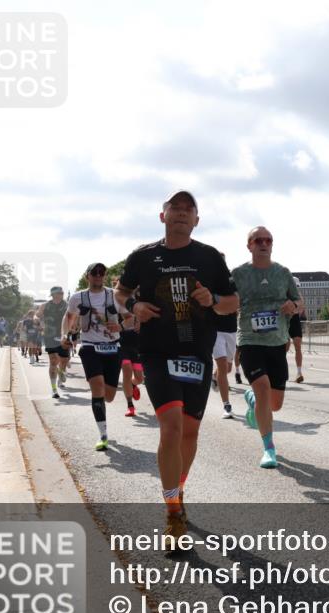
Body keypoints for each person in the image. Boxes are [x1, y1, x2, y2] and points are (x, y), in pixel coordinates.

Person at [116, 190, 237, 541]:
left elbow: (233, 303)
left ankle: (177, 489)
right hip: (157, 351)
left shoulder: (210, 257)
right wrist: (132, 307)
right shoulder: (143, 257)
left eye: (189, 209)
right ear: (163, 216)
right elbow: (121, 293)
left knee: (189, 432)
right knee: (169, 427)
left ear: (197, 219)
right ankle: (172, 513)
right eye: (175, 208)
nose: (182, 213)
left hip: (197, 354)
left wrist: (213, 299)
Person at [231, 226, 302, 469]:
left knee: (275, 404)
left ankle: (251, 399)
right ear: (249, 245)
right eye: (258, 240)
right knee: (262, 388)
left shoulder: (283, 273)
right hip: (250, 341)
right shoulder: (238, 274)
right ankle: (269, 448)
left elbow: (299, 302)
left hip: (277, 342)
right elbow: (225, 300)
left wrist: (292, 305)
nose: (264, 243)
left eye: (268, 240)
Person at [62, 263, 123, 450]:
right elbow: (69, 317)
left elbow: (130, 318)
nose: (98, 276)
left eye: (101, 273)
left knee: (110, 396)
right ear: (87, 276)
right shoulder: (77, 297)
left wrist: (120, 326)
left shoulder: (115, 295)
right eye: (94, 273)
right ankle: (103, 434)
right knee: (97, 387)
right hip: (89, 346)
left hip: (113, 346)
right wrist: (65, 335)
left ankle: (101, 402)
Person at [212, 253, 239, 419]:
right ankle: (226, 405)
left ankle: (214, 377)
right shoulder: (208, 282)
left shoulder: (232, 281)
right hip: (215, 330)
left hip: (231, 329)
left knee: (227, 368)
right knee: (223, 366)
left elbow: (238, 301)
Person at [36, 286, 69, 398]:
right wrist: (36, 319)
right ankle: (54, 389)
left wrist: (75, 327)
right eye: (59, 292)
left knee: (64, 360)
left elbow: (74, 315)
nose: (61, 294)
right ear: (53, 294)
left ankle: (61, 371)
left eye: (62, 292)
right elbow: (37, 314)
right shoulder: (45, 306)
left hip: (64, 335)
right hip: (50, 335)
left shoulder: (67, 305)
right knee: (53, 361)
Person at [119, 305, 144, 418]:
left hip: (137, 345)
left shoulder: (139, 302)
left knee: (139, 379)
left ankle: (133, 384)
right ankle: (130, 406)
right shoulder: (116, 303)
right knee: (127, 372)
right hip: (122, 344)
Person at [286, 276, 306, 383]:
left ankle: (299, 372)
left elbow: (302, 307)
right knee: (284, 347)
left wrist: (295, 309)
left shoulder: (298, 295)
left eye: (297, 287)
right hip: (284, 321)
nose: (295, 289)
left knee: (298, 346)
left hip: (295, 320)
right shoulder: (282, 294)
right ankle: (281, 369)